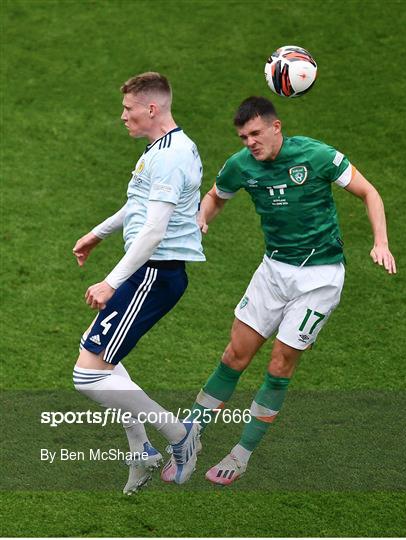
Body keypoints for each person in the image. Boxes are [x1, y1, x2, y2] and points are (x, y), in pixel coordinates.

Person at [161, 96, 396, 486]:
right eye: (242, 137)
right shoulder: (241, 166)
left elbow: (369, 192)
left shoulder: (317, 156)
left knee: (279, 364)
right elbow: (216, 196)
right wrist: (202, 218)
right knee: (234, 355)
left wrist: (381, 242)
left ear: (276, 127)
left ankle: (241, 454)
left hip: (319, 280)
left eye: (255, 133)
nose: (249, 142)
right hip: (272, 272)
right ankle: (190, 436)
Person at [72, 72, 204, 493]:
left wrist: (111, 282)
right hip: (152, 273)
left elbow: (153, 231)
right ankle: (140, 450)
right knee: (97, 356)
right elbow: (137, 205)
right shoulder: (162, 148)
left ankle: (179, 435)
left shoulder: (169, 157)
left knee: (87, 376)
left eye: (128, 109)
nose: (123, 117)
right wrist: (99, 233)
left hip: (154, 275)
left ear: (151, 109)